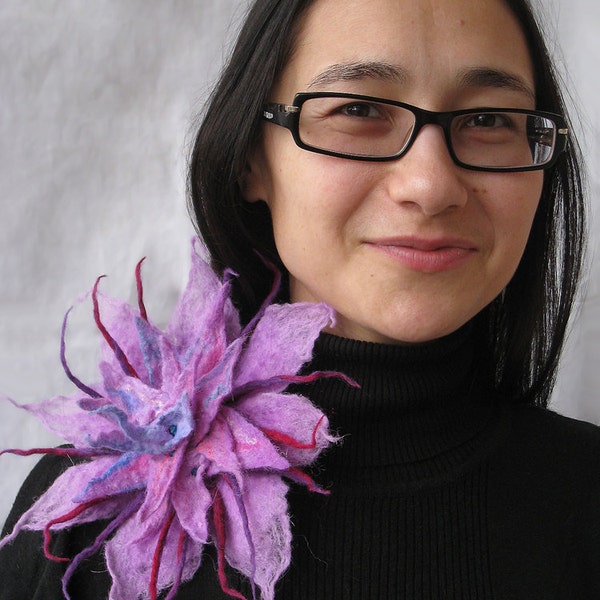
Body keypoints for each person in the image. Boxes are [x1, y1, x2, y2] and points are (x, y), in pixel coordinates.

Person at [0, 0, 597, 598]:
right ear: (251, 161)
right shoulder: (84, 515)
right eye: (359, 109)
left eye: (490, 119)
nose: (432, 185)